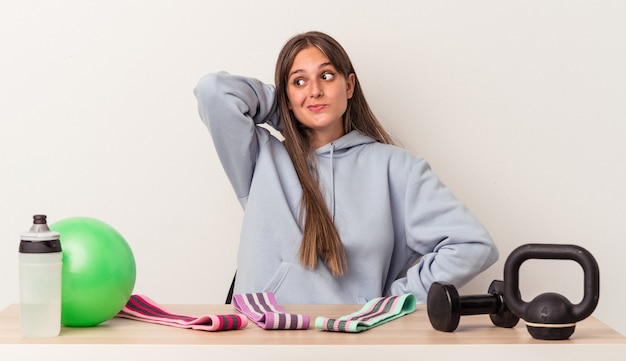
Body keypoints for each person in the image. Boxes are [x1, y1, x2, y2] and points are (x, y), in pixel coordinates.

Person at [193, 31, 498, 304]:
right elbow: (214, 92)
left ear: (349, 85)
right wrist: (287, 111)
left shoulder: (398, 169)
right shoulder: (261, 159)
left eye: (326, 76)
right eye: (299, 81)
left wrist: (393, 304)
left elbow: (471, 245)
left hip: (350, 340)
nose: (314, 91)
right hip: (260, 338)